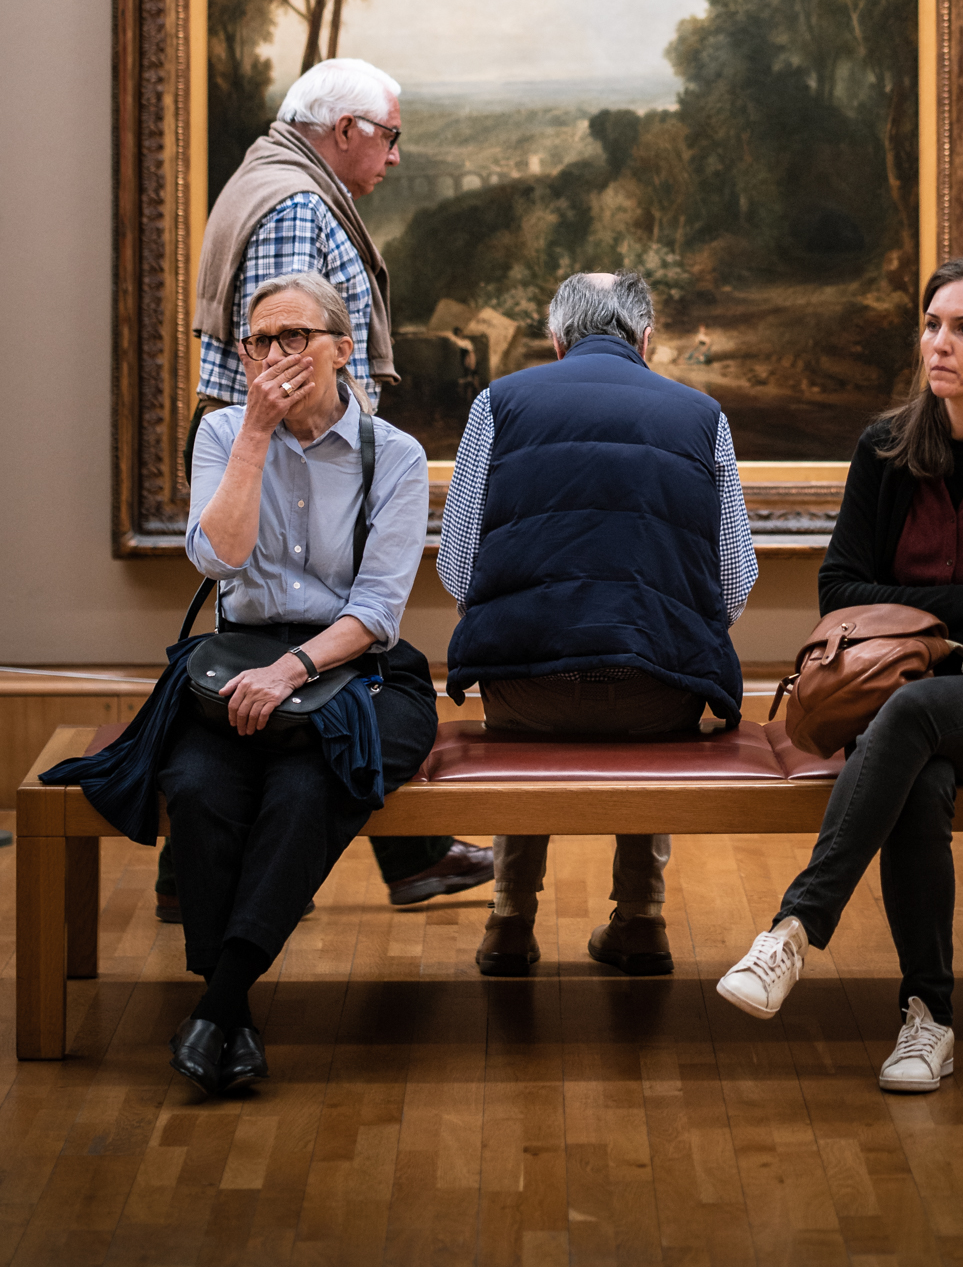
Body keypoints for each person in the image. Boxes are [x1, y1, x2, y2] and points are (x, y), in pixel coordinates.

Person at [717, 254, 963, 1094]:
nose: (939, 344)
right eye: (931, 325)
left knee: (917, 713)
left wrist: (919, 627)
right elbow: (837, 593)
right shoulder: (885, 450)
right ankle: (929, 1020)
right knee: (918, 775)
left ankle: (792, 929)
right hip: (908, 707)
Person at [163, 55, 491, 918]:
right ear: (342, 131)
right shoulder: (296, 204)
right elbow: (276, 351)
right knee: (329, 664)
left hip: (310, 470)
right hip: (290, 472)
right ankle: (220, 871)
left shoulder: (280, 180)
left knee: (348, 669)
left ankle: (390, 859)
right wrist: (310, 448)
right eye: (388, 137)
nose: (393, 158)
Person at [164, 270, 439, 1095]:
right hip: (238, 659)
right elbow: (217, 560)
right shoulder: (222, 434)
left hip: (354, 669)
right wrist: (253, 434)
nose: (274, 357)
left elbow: (379, 608)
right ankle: (232, 1016)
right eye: (258, 343)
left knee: (305, 788)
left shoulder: (393, 455)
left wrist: (294, 670)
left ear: (344, 350)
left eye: (294, 339)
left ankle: (220, 1004)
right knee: (197, 787)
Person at [439, 269, 758, 978]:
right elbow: (734, 585)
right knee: (660, 668)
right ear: (646, 339)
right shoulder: (702, 415)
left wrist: (534, 626)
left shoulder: (498, 403)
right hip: (654, 696)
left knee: (519, 700)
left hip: (527, 696)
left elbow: (458, 571)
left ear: (555, 340)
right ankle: (640, 921)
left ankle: (508, 924)